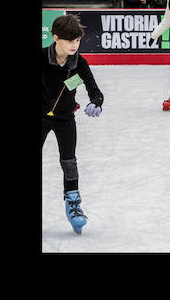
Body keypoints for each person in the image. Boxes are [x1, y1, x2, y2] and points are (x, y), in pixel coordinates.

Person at [42, 14, 104, 234]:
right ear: (56, 38)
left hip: (65, 118)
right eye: (70, 41)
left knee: (69, 163)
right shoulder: (42, 58)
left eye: (77, 41)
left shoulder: (79, 62)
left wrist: (96, 102)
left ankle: (74, 206)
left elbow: (94, 89)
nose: (74, 45)